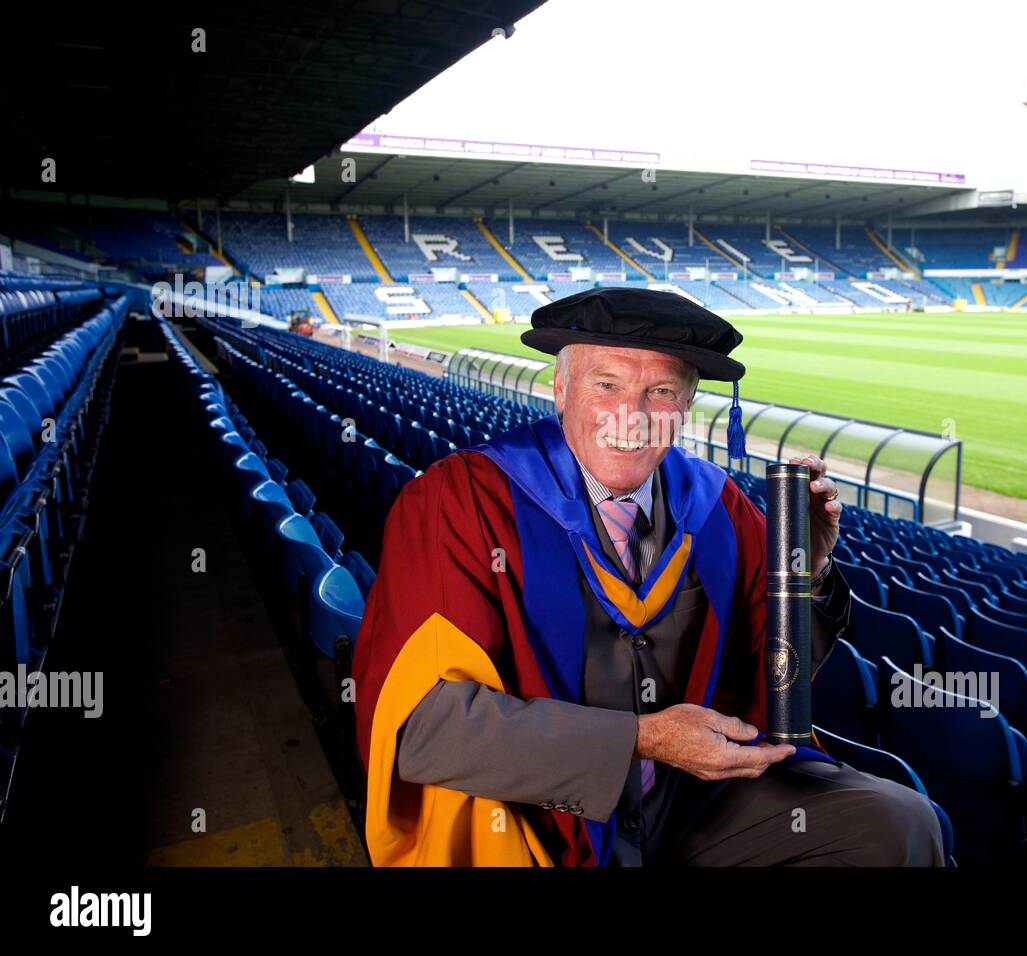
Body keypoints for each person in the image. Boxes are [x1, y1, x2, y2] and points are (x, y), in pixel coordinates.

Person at [353, 287, 943, 866]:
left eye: (659, 392)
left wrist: (804, 572)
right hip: (541, 812)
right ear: (560, 389)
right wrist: (641, 739)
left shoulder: (718, 506)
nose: (631, 416)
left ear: (685, 409)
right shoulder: (460, 503)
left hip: (688, 795)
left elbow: (780, 688)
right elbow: (425, 730)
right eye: (605, 384)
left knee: (897, 822)